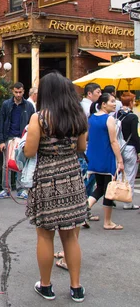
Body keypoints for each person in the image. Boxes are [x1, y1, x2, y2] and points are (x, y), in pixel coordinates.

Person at [23, 72, 88, 303]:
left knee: (45, 235)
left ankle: (47, 286)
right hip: (72, 177)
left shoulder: (39, 118)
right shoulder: (78, 117)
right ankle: (76, 287)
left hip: (47, 178)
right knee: (70, 237)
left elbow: (30, 152)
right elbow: (81, 147)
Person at [86, 93, 125, 230]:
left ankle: (85, 208)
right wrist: (120, 160)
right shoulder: (109, 119)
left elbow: (87, 137)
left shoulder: (91, 118)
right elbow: (114, 142)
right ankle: (107, 222)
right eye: (112, 101)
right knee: (109, 189)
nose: (115, 104)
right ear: (103, 104)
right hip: (106, 158)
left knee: (101, 187)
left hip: (93, 158)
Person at [0, 82, 35, 199]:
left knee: (21, 164)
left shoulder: (28, 106)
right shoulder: (6, 105)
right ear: (13, 92)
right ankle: (6, 189)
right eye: (16, 92)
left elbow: (32, 124)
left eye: (20, 92)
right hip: (9, 137)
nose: (18, 94)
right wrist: (1, 141)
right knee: (6, 165)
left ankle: (21, 189)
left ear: (23, 92)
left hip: (22, 138)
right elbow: (1, 123)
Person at [117, 92, 140, 210]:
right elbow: (135, 135)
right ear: (130, 102)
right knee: (130, 175)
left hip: (119, 147)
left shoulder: (117, 115)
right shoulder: (133, 117)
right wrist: (139, 150)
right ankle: (128, 202)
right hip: (130, 147)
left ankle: (115, 196)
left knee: (120, 174)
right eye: (133, 100)